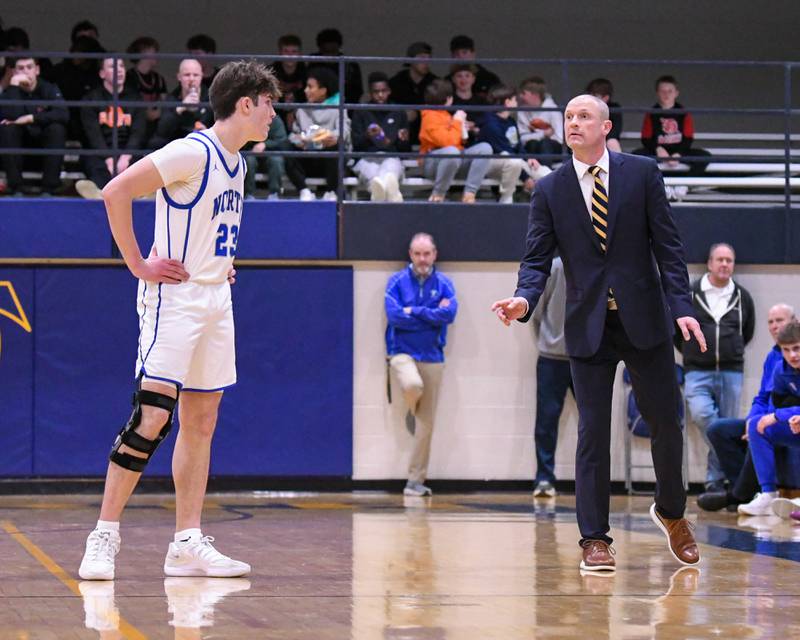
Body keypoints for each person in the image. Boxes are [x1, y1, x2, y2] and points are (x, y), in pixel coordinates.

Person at [78, 59, 281, 581]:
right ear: (245, 103)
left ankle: (187, 542)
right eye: (268, 104)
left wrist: (221, 264)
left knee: (202, 422)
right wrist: (137, 264)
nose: (272, 115)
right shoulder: (193, 151)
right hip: (174, 298)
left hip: (215, 298)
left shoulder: (238, 163)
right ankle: (104, 535)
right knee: (152, 417)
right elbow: (115, 191)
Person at [491, 94, 705, 572]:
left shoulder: (642, 173)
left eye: (584, 116)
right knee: (592, 431)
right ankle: (594, 539)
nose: (573, 123)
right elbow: (535, 259)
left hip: (644, 319)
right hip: (588, 324)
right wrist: (524, 299)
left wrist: (682, 307)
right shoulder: (550, 189)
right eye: (568, 117)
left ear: (606, 127)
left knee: (666, 422)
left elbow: (669, 247)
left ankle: (672, 513)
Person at [697, 303, 795, 512]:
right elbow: (763, 397)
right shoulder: (773, 358)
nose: (775, 326)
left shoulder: (792, 359)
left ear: (794, 322)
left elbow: (785, 403)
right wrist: (752, 420)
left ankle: (737, 495)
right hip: (769, 416)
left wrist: (771, 418)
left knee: (762, 427)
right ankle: (750, 493)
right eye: (770, 322)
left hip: (787, 419)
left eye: (780, 320)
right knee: (718, 429)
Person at [678, 242, 755, 492]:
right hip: (697, 370)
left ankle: (715, 481)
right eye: (720, 259)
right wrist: (694, 352)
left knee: (726, 426)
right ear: (709, 263)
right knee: (704, 416)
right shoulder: (691, 293)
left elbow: (747, 332)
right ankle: (731, 469)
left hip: (732, 372)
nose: (724, 264)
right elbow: (678, 333)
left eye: (729, 260)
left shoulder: (742, 297)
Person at [385, 233, 457, 497]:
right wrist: (431, 314)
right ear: (410, 255)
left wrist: (413, 311)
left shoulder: (444, 284)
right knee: (412, 384)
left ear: (434, 255)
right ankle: (411, 404)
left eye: (426, 254)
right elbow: (395, 316)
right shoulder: (396, 282)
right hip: (401, 353)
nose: (422, 259)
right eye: (417, 254)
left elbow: (449, 314)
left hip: (433, 357)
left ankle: (415, 482)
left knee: (426, 427)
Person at [738, 321, 800, 516]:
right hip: (796, 424)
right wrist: (788, 418)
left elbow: (778, 413)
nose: (792, 355)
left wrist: (781, 415)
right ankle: (768, 495)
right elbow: (777, 404)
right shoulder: (781, 370)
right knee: (758, 425)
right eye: (786, 350)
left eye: (797, 348)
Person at [528, 256, 571, 497]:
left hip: (587, 357)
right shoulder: (555, 267)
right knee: (546, 421)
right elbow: (536, 311)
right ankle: (544, 478)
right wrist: (549, 341)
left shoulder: (597, 264)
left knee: (594, 423)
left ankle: (594, 481)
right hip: (552, 357)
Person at [76, 56, 146, 199]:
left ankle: (134, 195)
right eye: (113, 67)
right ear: (102, 73)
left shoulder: (135, 98)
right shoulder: (91, 99)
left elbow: (138, 132)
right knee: (91, 161)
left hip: (127, 151)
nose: (119, 70)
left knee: (142, 161)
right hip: (101, 152)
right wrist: (109, 158)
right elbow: (93, 134)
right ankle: (102, 194)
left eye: (121, 66)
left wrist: (126, 157)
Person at [0, 55, 68, 196]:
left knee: (57, 129)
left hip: (43, 148)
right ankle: (16, 188)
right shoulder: (11, 91)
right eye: (20, 68)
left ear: (37, 70)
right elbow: (9, 116)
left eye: (29, 67)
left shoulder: (49, 88)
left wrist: (31, 118)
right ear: (14, 72)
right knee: (7, 129)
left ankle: (49, 189)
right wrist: (13, 86)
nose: (25, 71)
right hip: (18, 149)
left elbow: (63, 114)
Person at [419, 78, 491, 203]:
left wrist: (463, 129)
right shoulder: (429, 116)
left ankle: (470, 193)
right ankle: (438, 194)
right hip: (433, 163)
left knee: (485, 148)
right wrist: (457, 122)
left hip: (455, 161)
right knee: (451, 152)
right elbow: (448, 143)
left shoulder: (446, 114)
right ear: (448, 99)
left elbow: (459, 142)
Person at [478, 83, 551, 203]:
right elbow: (504, 152)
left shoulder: (510, 121)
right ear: (507, 102)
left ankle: (546, 205)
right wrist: (525, 177)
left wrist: (528, 158)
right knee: (513, 161)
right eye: (514, 100)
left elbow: (517, 146)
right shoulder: (491, 125)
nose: (517, 102)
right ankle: (506, 200)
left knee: (546, 173)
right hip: (495, 164)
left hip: (515, 161)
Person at [285, 66, 350, 201]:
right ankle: (304, 190)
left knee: (337, 148)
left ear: (323, 90)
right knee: (286, 148)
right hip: (308, 158)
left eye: (310, 87)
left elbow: (344, 131)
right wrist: (299, 139)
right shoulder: (302, 110)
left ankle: (331, 192)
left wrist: (332, 137)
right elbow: (294, 134)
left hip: (328, 161)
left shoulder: (338, 108)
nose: (305, 90)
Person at [635, 75, 711, 175]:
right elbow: (646, 138)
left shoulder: (683, 113)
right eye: (663, 91)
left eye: (670, 91)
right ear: (657, 93)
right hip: (658, 152)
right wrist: (658, 149)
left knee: (704, 156)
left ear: (676, 93)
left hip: (679, 152)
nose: (666, 94)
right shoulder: (651, 113)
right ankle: (654, 182)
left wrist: (678, 154)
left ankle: (685, 182)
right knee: (636, 157)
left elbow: (688, 138)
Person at [351, 71, 409, 202]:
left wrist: (403, 140)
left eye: (384, 91)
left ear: (389, 91)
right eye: (376, 92)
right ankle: (390, 194)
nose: (380, 95)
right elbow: (355, 144)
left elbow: (405, 150)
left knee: (390, 173)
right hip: (366, 158)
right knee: (375, 178)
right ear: (370, 93)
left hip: (391, 157)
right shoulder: (360, 111)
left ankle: (382, 192)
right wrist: (367, 136)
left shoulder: (399, 112)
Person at [149, 59, 214, 150]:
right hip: (178, 146)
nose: (191, 79)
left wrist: (207, 132)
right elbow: (162, 131)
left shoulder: (211, 99)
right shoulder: (171, 98)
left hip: (204, 146)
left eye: (196, 75)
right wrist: (181, 107)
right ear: (179, 77)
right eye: (187, 75)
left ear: (201, 76)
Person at [389, 41, 436, 146]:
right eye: (422, 58)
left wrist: (418, 113)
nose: (426, 62)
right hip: (401, 139)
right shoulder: (396, 82)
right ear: (411, 59)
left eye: (429, 58)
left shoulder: (435, 82)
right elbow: (388, 105)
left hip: (428, 138)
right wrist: (402, 113)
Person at [124, 37, 167, 147]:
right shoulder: (129, 77)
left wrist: (157, 112)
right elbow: (132, 106)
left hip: (156, 128)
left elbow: (165, 103)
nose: (157, 54)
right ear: (142, 52)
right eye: (153, 50)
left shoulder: (159, 79)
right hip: (135, 126)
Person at [517, 77, 563, 166]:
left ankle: (546, 172)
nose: (520, 96)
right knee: (532, 143)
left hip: (552, 150)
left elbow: (560, 139)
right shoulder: (522, 111)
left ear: (535, 95)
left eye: (524, 93)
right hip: (533, 147)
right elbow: (522, 139)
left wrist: (541, 137)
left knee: (545, 144)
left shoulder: (553, 110)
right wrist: (543, 134)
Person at [310, 28, 362, 106]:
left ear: (338, 48)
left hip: (345, 107)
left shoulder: (350, 65)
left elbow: (357, 92)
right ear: (320, 50)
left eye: (333, 52)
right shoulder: (314, 63)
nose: (330, 57)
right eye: (326, 53)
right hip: (317, 108)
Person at [243, 114, 290, 199]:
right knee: (249, 160)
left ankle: (275, 194)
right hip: (251, 152)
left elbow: (282, 140)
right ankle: (249, 194)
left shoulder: (275, 119)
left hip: (271, 152)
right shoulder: (248, 119)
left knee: (276, 160)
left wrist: (265, 144)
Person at [268, 34, 306, 131]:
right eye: (286, 51)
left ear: (299, 54)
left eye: (294, 52)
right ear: (280, 53)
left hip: (300, 111)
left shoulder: (306, 72)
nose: (290, 55)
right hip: (275, 112)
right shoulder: (270, 72)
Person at [586, 78, 622, 153]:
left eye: (595, 96)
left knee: (612, 142)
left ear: (606, 98)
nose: (590, 99)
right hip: (587, 139)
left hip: (605, 140)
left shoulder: (614, 108)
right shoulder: (583, 108)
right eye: (589, 95)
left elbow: (614, 132)